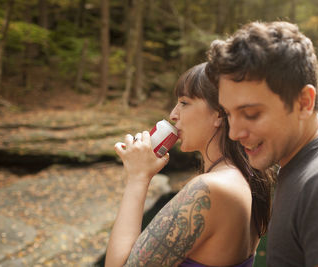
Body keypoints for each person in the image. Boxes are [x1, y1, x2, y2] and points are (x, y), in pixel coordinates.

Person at [205, 21, 318, 267]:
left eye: (251, 114)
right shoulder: (300, 169)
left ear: (304, 102)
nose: (234, 132)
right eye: (228, 113)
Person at [105, 62, 273, 267]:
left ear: (220, 113)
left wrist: (137, 178)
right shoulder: (248, 178)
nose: (173, 114)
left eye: (184, 103)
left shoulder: (212, 188)